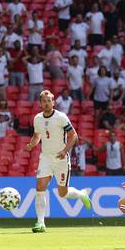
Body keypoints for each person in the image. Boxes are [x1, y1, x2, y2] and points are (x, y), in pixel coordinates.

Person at [26, 90, 91, 233]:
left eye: (49, 100)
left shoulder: (61, 117)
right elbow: (37, 136)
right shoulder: (37, 118)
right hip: (46, 158)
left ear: (53, 102)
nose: (47, 103)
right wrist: (32, 144)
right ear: (40, 103)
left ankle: (81, 194)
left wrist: (65, 150)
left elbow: (74, 136)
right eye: (44, 101)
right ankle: (40, 223)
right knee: (40, 187)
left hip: (61, 159)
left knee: (63, 193)